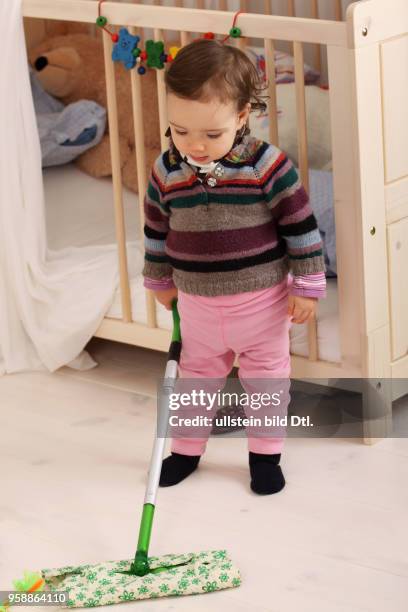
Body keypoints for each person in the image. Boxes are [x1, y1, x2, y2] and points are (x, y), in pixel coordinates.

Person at [142, 39, 326, 495]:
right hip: (198, 308)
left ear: (243, 116)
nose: (195, 146)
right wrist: (158, 277)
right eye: (180, 131)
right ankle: (186, 451)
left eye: (211, 134)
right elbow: (154, 227)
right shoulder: (167, 169)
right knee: (194, 385)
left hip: (261, 306)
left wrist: (307, 284)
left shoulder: (267, 165)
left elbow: (300, 226)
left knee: (266, 384)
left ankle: (265, 457)